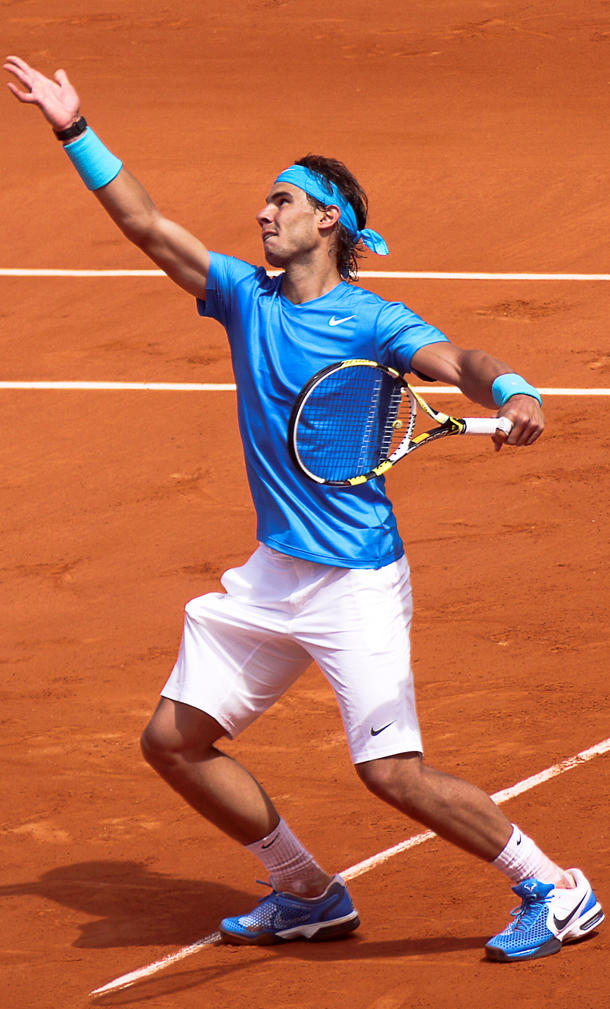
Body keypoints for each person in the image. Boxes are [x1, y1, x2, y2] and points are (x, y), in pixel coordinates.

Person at [5, 54, 603, 963]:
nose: (262, 213)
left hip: (355, 580)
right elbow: (144, 224)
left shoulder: (374, 321)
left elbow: (462, 360)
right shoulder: (243, 297)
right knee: (173, 741)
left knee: (389, 773)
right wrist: (73, 128)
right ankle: (307, 891)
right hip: (274, 572)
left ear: (328, 219)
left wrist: (512, 387)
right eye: (265, 203)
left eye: (280, 201)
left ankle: (555, 887)